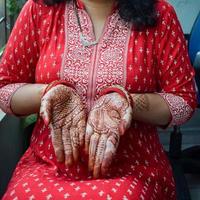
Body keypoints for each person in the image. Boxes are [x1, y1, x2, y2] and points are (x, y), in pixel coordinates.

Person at [0, 0, 197, 199]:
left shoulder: (160, 14)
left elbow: (183, 100)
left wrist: (126, 102)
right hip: (47, 165)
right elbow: (5, 88)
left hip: (132, 167)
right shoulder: (39, 9)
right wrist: (50, 93)